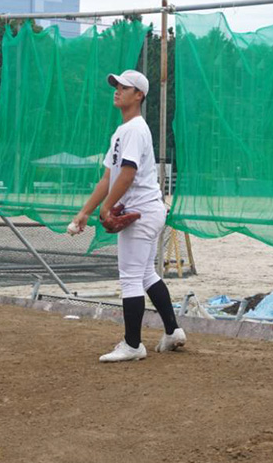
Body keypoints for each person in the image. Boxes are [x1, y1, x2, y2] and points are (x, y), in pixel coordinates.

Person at [71, 69, 186, 362]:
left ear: (139, 95)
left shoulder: (134, 129)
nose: (117, 90)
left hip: (141, 212)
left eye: (124, 87)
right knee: (146, 274)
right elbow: (108, 177)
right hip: (147, 210)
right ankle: (173, 331)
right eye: (116, 85)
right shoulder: (123, 130)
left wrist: (107, 207)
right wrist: (86, 212)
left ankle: (133, 345)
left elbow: (128, 174)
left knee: (131, 277)